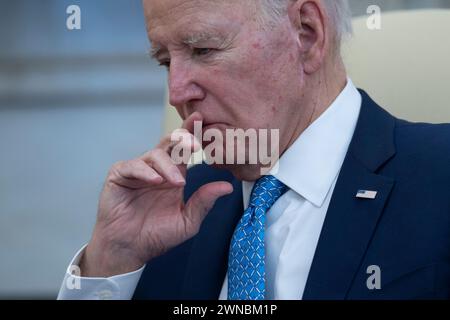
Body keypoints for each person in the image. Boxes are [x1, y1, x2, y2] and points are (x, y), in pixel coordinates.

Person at [58, 0, 450, 300]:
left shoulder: (440, 176)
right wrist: (109, 265)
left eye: (204, 50)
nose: (176, 93)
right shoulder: (166, 212)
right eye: (164, 62)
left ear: (307, 34)